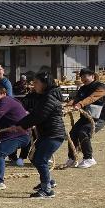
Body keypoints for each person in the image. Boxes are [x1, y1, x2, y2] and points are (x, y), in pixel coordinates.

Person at [13, 71, 66, 199]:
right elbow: (31, 110)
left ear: (44, 84)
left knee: (40, 160)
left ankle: (47, 190)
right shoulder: (42, 96)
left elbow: (38, 116)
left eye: (36, 82)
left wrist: (21, 126)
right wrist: (19, 122)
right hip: (47, 134)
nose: (33, 85)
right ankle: (49, 182)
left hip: (53, 135)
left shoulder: (49, 98)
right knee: (35, 158)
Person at [0, 84, 31, 191]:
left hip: (19, 135)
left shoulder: (5, 101)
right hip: (12, 135)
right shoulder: (9, 101)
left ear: (4, 94)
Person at [62, 67, 105, 169]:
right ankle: (72, 158)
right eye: (82, 76)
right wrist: (65, 107)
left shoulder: (101, 87)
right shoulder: (82, 88)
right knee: (72, 133)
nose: (83, 78)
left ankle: (89, 158)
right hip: (84, 117)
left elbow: (92, 98)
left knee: (83, 132)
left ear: (92, 76)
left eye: (86, 76)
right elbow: (75, 100)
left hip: (98, 118)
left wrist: (80, 104)